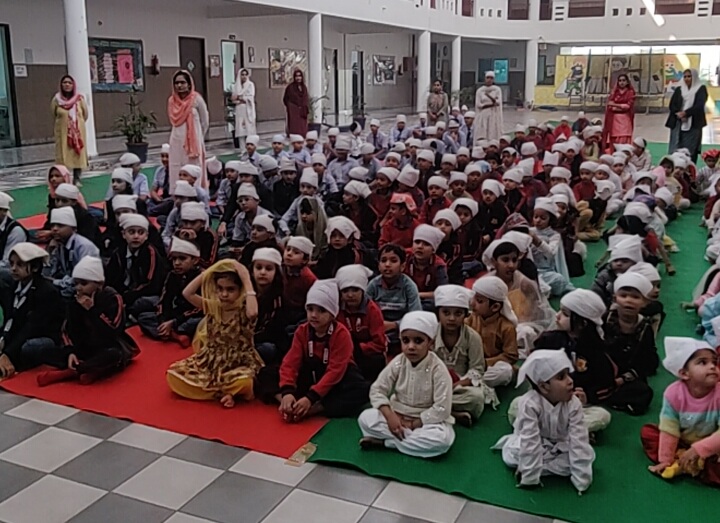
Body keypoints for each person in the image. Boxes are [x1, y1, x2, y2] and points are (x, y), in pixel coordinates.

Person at [492, 349, 595, 494]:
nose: (570, 381)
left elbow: (579, 442)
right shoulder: (530, 404)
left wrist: (581, 481)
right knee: (513, 455)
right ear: (544, 387)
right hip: (538, 443)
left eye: (568, 375)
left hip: (560, 445)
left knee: (587, 454)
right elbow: (530, 441)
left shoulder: (574, 404)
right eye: (561, 377)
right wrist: (530, 477)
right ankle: (538, 467)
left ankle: (541, 467)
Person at [358, 311, 455, 457]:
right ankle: (408, 442)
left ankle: (387, 443)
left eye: (418, 341)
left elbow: (442, 408)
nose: (411, 346)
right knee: (365, 418)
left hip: (425, 422)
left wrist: (414, 424)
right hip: (397, 415)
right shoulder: (399, 362)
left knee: (442, 440)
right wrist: (390, 416)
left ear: (431, 343)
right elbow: (377, 390)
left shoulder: (438, 369)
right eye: (405, 340)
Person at [167, 259, 261, 408]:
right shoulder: (213, 306)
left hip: (237, 363)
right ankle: (226, 392)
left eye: (230, 289)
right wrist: (210, 271)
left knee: (245, 381)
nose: (224, 294)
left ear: (240, 290)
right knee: (174, 374)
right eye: (220, 289)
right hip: (210, 363)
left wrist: (246, 279)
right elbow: (187, 293)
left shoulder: (244, 310)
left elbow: (253, 312)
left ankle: (229, 391)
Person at [36, 256, 140, 387]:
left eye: (84, 284)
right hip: (85, 346)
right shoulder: (74, 299)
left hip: (108, 344)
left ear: (99, 284)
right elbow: (66, 330)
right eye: (76, 283)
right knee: (45, 351)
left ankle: (72, 372)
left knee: (114, 355)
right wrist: (71, 352)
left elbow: (114, 330)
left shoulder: (112, 297)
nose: (79, 288)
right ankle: (89, 369)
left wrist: (92, 310)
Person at [277, 279, 370, 421]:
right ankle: (288, 403)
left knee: (362, 390)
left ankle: (316, 408)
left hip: (336, 379)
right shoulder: (302, 331)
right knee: (267, 373)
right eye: (310, 309)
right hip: (311, 372)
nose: (314, 315)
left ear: (332, 314)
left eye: (321, 310)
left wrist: (311, 397)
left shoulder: (342, 334)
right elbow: (291, 362)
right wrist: (287, 391)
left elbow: (335, 371)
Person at [641, 337, 720, 485]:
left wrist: (699, 449)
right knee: (649, 432)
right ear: (684, 373)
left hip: (713, 445)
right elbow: (669, 429)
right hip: (683, 440)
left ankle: (691, 463)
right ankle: (688, 462)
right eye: (703, 362)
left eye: (714, 362)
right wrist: (665, 460)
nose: (712, 366)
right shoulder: (673, 394)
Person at [0, 243, 64, 378]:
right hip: (22, 332)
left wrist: (8, 353)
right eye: (11, 264)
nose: (13, 269)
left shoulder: (47, 292)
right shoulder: (13, 286)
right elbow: (10, 319)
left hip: (43, 337)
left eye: (19, 264)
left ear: (34, 267)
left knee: (29, 348)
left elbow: (32, 327)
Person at [433, 284, 494, 426]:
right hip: (433, 384)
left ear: (466, 315)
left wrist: (456, 384)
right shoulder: (430, 334)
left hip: (459, 386)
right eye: (446, 313)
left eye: (458, 313)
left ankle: (436, 411)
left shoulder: (473, 337)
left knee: (476, 398)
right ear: (438, 313)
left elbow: (477, 370)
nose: (451, 318)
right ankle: (453, 414)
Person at [138, 237, 202, 347]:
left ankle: (171, 332)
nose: (177, 263)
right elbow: (164, 299)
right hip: (178, 313)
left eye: (182, 259)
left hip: (193, 314)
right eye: (174, 259)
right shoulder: (172, 275)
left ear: (195, 260)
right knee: (144, 317)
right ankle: (174, 334)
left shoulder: (203, 277)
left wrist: (174, 322)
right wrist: (163, 321)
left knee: (199, 322)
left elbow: (202, 307)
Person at [105, 214, 167, 319]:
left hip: (145, 294)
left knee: (142, 303)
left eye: (141, 232)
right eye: (131, 232)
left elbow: (151, 284)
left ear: (146, 236)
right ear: (123, 234)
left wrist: (127, 297)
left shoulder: (151, 253)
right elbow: (110, 278)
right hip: (123, 293)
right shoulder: (118, 253)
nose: (136, 236)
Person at [43, 207, 100, 299]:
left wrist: (55, 282)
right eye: (52, 225)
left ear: (73, 228)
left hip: (85, 291)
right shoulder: (59, 245)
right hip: (68, 286)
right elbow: (49, 271)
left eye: (60, 225)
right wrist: (50, 251)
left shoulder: (84, 247)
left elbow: (84, 279)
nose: (54, 229)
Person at [168, 70, 209, 193]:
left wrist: (197, 138)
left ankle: (195, 193)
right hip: (176, 140)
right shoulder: (171, 101)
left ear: (189, 84)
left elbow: (205, 121)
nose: (179, 85)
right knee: (176, 167)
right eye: (176, 83)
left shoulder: (196, 99)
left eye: (182, 82)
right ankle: (178, 194)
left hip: (194, 144)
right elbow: (173, 121)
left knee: (193, 167)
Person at [666, 68, 708, 163]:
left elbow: (699, 105)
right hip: (678, 122)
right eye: (685, 76)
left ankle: (689, 168)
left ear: (694, 77)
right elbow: (672, 104)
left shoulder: (701, 89)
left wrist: (686, 113)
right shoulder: (679, 89)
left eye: (689, 76)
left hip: (694, 123)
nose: (687, 79)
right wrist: (678, 113)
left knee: (690, 148)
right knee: (675, 146)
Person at [52, 75, 88, 184]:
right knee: (63, 154)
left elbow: (85, 115)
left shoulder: (79, 99)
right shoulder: (56, 100)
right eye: (64, 83)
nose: (67, 85)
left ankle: (77, 178)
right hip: (62, 133)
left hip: (77, 134)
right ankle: (63, 177)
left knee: (77, 153)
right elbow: (54, 114)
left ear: (73, 85)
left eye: (69, 83)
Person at [601, 74, 636, 150]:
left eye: (623, 80)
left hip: (625, 119)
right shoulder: (614, 93)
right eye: (620, 81)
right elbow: (610, 106)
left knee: (624, 138)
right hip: (614, 120)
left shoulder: (630, 92)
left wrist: (615, 105)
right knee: (614, 139)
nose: (621, 82)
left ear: (627, 82)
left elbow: (628, 107)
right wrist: (620, 107)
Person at [473, 71, 504, 141]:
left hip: (493, 114)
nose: (489, 80)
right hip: (483, 115)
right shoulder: (480, 90)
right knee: (483, 131)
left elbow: (498, 102)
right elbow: (478, 104)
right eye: (488, 78)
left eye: (491, 78)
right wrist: (491, 104)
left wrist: (489, 97)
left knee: (492, 131)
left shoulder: (497, 90)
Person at [232, 68, 257, 150]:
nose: (244, 76)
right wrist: (238, 99)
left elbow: (251, 97)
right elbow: (233, 98)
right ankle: (242, 150)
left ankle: (251, 149)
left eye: (246, 74)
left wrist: (241, 98)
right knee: (240, 130)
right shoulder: (236, 86)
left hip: (248, 109)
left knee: (249, 130)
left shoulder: (250, 85)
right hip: (239, 110)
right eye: (242, 75)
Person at [283, 69, 309, 137]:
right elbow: (285, 99)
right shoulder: (290, 87)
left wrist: (303, 106)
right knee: (294, 128)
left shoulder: (304, 87)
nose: (298, 78)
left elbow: (306, 98)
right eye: (296, 76)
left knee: (302, 128)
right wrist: (291, 107)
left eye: (300, 76)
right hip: (294, 112)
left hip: (302, 111)